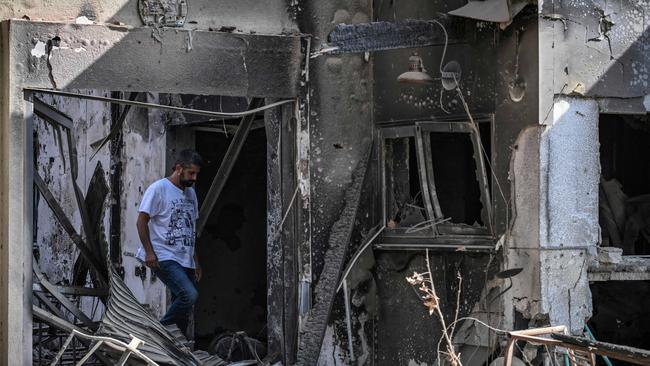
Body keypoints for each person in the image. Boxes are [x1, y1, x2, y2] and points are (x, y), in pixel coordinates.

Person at [136, 149, 203, 335]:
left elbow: (191, 230)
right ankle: (157, 334)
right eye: (191, 173)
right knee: (189, 295)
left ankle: (173, 351)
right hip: (163, 255)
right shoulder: (159, 188)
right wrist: (149, 252)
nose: (194, 178)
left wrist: (196, 261)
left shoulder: (191, 194)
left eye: (197, 174)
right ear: (179, 168)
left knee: (182, 308)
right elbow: (141, 221)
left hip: (185, 258)